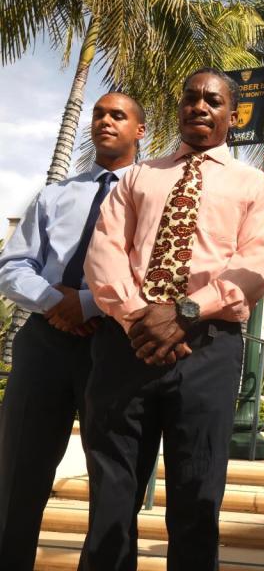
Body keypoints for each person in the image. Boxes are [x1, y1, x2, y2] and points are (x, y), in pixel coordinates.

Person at [79, 68, 264, 570]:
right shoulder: (139, 177)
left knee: (197, 498)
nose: (199, 106)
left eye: (212, 100)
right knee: (111, 497)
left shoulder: (254, 186)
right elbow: (104, 252)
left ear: (232, 115)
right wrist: (138, 321)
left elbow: (254, 267)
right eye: (190, 97)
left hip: (208, 348)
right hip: (127, 345)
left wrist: (185, 312)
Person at [0, 93, 144, 570]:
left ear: (139, 130)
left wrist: (85, 304)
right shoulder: (54, 194)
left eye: (118, 115)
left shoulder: (152, 196)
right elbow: (13, 266)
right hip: (44, 343)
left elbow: (149, 272)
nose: (105, 121)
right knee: (18, 470)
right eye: (99, 114)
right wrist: (55, 303)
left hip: (115, 344)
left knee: (113, 478)